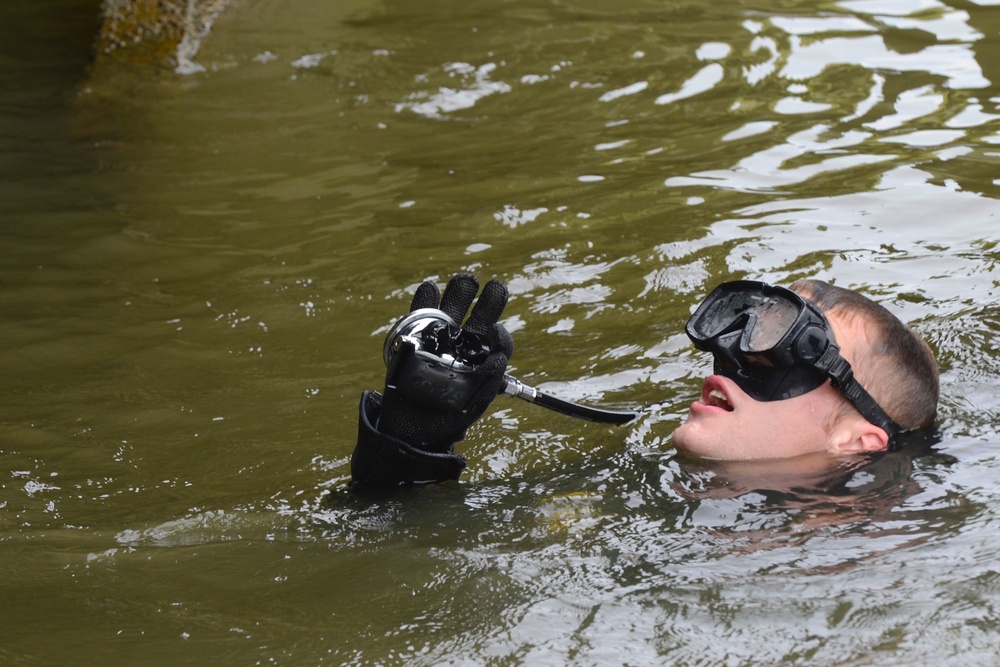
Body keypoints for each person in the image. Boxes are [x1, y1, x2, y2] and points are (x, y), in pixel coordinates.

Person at [350, 273, 939, 487]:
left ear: (858, 440)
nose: (730, 363)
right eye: (738, 328)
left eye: (784, 351)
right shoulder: (613, 491)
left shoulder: (879, 572)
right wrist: (405, 452)